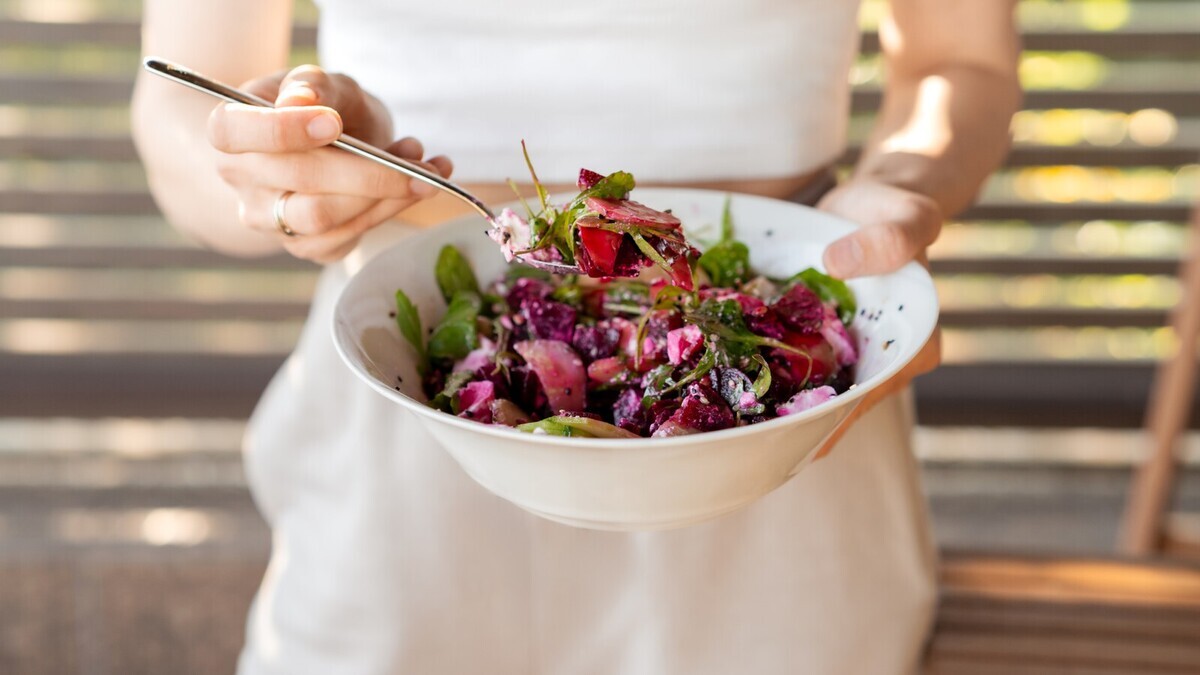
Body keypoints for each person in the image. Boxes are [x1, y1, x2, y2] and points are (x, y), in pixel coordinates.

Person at [132, 1, 1020, 672]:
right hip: (406, 443)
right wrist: (274, 177)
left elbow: (959, 61)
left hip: (783, 457)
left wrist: (901, 189)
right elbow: (178, 118)